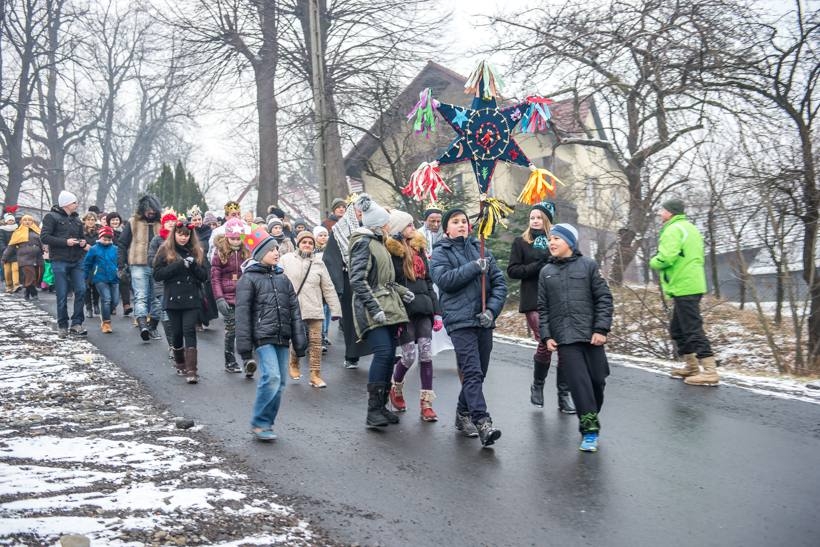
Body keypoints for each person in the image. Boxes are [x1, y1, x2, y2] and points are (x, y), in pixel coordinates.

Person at [430, 207, 507, 447]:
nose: (462, 225)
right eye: (455, 222)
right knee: (471, 371)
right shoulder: (440, 253)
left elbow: (499, 284)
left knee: (479, 372)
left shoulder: (482, 249)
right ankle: (482, 422)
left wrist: (491, 310)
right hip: (460, 321)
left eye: (464, 221)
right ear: (447, 228)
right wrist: (474, 267)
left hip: (483, 320)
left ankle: (462, 414)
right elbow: (445, 281)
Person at [538, 223, 613, 452]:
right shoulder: (546, 272)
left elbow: (604, 299)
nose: (551, 242)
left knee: (598, 380)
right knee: (579, 385)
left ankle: (589, 412)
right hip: (565, 339)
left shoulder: (588, 266)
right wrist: (547, 336)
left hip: (591, 336)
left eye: (556, 239)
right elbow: (543, 308)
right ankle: (589, 430)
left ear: (569, 242)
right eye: (550, 239)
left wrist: (601, 329)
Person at [235, 225, 307, 441]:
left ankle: (267, 422)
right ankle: (259, 422)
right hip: (263, 336)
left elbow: (294, 310)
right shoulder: (248, 279)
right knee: (272, 377)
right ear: (259, 254)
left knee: (281, 381)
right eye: (271, 250)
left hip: (282, 336)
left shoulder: (282, 278)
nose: (276, 253)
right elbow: (242, 315)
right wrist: (245, 349)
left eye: (277, 249)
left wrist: (299, 339)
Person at [348, 197, 412, 427]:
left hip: (389, 307)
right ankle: (372, 410)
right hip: (372, 309)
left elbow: (385, 279)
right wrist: (374, 308)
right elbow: (358, 280)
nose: (388, 226)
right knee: (383, 354)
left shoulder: (379, 242)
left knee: (388, 359)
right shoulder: (363, 243)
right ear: (377, 224)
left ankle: (382, 406)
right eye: (385, 223)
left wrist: (403, 291)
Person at [507, 201, 576, 414]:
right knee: (545, 342)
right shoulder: (521, 242)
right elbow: (513, 270)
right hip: (534, 300)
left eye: (539, 217)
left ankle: (563, 394)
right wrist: (539, 265)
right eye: (532, 217)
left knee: (563, 344)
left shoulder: (556, 241)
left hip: (557, 299)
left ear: (547, 220)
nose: (535, 221)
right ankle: (538, 385)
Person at [649, 199, 719, 386]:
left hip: (684, 284)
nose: (659, 213)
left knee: (692, 329)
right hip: (690, 283)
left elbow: (666, 258)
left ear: (670, 212)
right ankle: (692, 367)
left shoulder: (673, 229)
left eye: (662, 210)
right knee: (678, 329)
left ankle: (710, 372)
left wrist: (653, 261)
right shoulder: (689, 227)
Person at [385, 209, 442, 422]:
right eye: (408, 225)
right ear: (399, 229)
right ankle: (396, 387)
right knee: (409, 355)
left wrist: (437, 313)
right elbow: (390, 283)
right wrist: (395, 315)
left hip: (424, 309)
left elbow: (428, 282)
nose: (413, 228)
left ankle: (426, 403)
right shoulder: (391, 253)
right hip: (404, 312)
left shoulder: (419, 249)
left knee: (426, 353)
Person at [280, 231, 341, 387]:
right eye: (304, 242)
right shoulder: (286, 260)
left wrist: (336, 310)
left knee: (315, 342)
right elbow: (278, 282)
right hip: (294, 308)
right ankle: (294, 363)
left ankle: (315, 375)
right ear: (298, 244)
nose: (307, 245)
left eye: (310, 243)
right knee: (298, 339)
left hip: (314, 307)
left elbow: (328, 287)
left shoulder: (319, 263)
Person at [153, 221, 209, 384]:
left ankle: (192, 370)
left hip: (192, 297)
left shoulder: (197, 250)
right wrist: (178, 265)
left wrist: (192, 266)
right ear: (174, 234)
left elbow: (204, 276)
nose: (183, 238)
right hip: (172, 297)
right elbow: (157, 274)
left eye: (186, 235)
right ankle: (180, 363)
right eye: (180, 234)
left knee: (189, 330)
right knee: (176, 333)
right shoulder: (165, 249)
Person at [321, 198, 373, 369]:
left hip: (368, 278)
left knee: (371, 315)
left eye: (363, 212)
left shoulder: (370, 228)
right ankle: (352, 355)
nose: (361, 214)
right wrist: (338, 286)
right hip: (349, 280)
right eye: (358, 211)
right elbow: (330, 258)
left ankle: (377, 349)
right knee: (351, 319)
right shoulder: (339, 231)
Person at [41, 190, 88, 337]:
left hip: (77, 260)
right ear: (67, 203)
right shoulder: (51, 217)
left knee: (81, 290)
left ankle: (77, 323)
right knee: (61, 294)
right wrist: (65, 242)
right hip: (59, 260)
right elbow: (45, 237)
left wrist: (82, 242)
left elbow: (81, 236)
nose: (77, 204)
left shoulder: (77, 220)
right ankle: (62, 325)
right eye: (74, 202)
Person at [118, 194, 162, 340]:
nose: (151, 213)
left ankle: (153, 326)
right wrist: (121, 264)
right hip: (137, 264)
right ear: (143, 209)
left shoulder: (160, 224)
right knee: (141, 296)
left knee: (157, 299)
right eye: (149, 210)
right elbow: (122, 243)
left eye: (154, 210)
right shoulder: (133, 222)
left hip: (157, 265)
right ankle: (143, 324)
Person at [211, 218, 250, 374]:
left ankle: (248, 361)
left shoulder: (246, 251)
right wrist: (219, 298)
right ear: (227, 237)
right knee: (232, 330)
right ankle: (230, 361)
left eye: (238, 238)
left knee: (245, 330)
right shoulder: (220, 252)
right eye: (232, 238)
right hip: (227, 297)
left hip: (244, 295)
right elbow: (215, 278)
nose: (235, 241)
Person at [148, 211, 180, 350]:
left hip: (178, 282)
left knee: (177, 315)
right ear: (163, 223)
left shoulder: (181, 238)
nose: (171, 224)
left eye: (173, 221)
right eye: (168, 221)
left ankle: (179, 343)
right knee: (166, 313)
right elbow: (150, 259)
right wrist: (164, 263)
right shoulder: (157, 240)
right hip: (162, 282)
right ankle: (173, 346)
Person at [83, 225, 119, 333]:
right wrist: (85, 277)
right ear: (100, 238)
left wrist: (121, 270)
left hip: (114, 278)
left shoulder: (115, 249)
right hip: (99, 277)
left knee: (115, 301)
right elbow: (87, 263)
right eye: (104, 239)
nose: (107, 241)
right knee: (106, 299)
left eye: (109, 239)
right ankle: (106, 323)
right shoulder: (94, 249)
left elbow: (121, 262)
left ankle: (106, 312)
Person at [4, 215, 43, 301]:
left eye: (29, 220)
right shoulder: (17, 233)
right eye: (25, 220)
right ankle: (34, 293)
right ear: (21, 222)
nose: (27, 222)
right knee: (30, 276)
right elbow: (10, 246)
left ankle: (27, 293)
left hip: (37, 258)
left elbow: (43, 244)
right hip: (24, 258)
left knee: (35, 276)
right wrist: (4, 257)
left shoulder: (38, 232)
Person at [105, 212, 132, 316]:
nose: (115, 222)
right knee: (112, 283)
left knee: (124, 281)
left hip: (122, 259)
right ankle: (112, 306)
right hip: (110, 260)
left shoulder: (125, 231)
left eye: (117, 220)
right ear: (109, 222)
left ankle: (126, 305)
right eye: (112, 220)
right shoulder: (106, 232)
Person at [313, 225, 332, 351]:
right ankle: (321, 335)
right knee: (321, 309)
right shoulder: (313, 250)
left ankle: (325, 332)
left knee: (328, 309)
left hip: (329, 282)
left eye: (325, 235)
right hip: (317, 283)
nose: (323, 237)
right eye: (320, 235)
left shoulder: (331, 250)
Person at [81, 211, 100, 318]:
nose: (91, 222)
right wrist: (83, 246)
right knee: (86, 285)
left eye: (92, 219)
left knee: (96, 283)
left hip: (96, 260)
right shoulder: (80, 232)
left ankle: (96, 303)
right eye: (88, 219)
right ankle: (88, 307)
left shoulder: (98, 232)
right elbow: (77, 242)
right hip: (84, 261)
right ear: (85, 220)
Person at [1, 213, 20, 293]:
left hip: (16, 252)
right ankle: (9, 286)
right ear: (6, 221)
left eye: (12, 220)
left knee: (15, 269)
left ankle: (16, 285)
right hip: (5, 253)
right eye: (9, 220)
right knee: (7, 271)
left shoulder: (17, 229)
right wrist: (5, 250)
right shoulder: (2, 229)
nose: (11, 221)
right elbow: (0, 241)